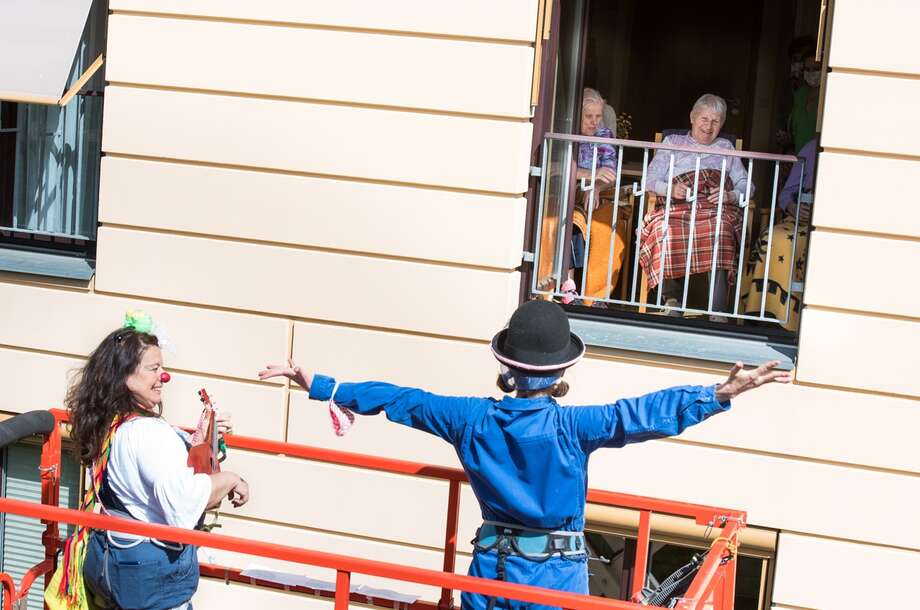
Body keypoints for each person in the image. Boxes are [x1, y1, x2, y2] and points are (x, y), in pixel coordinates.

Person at [259, 299, 790, 610]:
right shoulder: (575, 426)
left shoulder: (469, 418)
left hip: (488, 568)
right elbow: (640, 415)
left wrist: (324, 385)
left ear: (507, 365)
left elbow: (405, 401)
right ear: (562, 372)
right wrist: (718, 394)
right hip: (554, 578)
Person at [67, 312, 250, 610]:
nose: (163, 377)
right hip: (148, 582)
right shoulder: (150, 434)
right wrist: (231, 479)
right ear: (126, 376)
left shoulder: (109, 422)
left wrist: (201, 441)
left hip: (113, 563)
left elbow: (148, 478)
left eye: (162, 367)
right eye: (154, 369)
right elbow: (183, 502)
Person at [640, 93, 755, 321]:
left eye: (715, 121)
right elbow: (649, 178)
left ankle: (717, 308)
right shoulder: (672, 143)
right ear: (692, 118)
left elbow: (747, 185)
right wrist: (670, 190)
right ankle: (671, 300)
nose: (709, 126)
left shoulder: (726, 147)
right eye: (704, 119)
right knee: (662, 228)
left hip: (714, 208)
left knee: (722, 229)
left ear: (722, 124)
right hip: (678, 207)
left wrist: (730, 194)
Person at [740, 138, 817, 330]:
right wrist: (794, 206)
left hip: (827, 226)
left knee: (798, 244)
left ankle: (788, 317)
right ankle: (759, 311)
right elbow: (786, 194)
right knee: (772, 237)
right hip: (798, 218)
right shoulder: (811, 148)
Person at [560, 88, 620, 304]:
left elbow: (610, 173)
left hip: (595, 194)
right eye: (588, 116)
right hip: (565, 192)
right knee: (571, 219)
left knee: (608, 227)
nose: (594, 122)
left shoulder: (605, 136)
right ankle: (569, 285)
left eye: (598, 116)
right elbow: (557, 168)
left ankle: (596, 295)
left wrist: (595, 187)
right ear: (577, 116)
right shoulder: (565, 132)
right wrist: (590, 175)